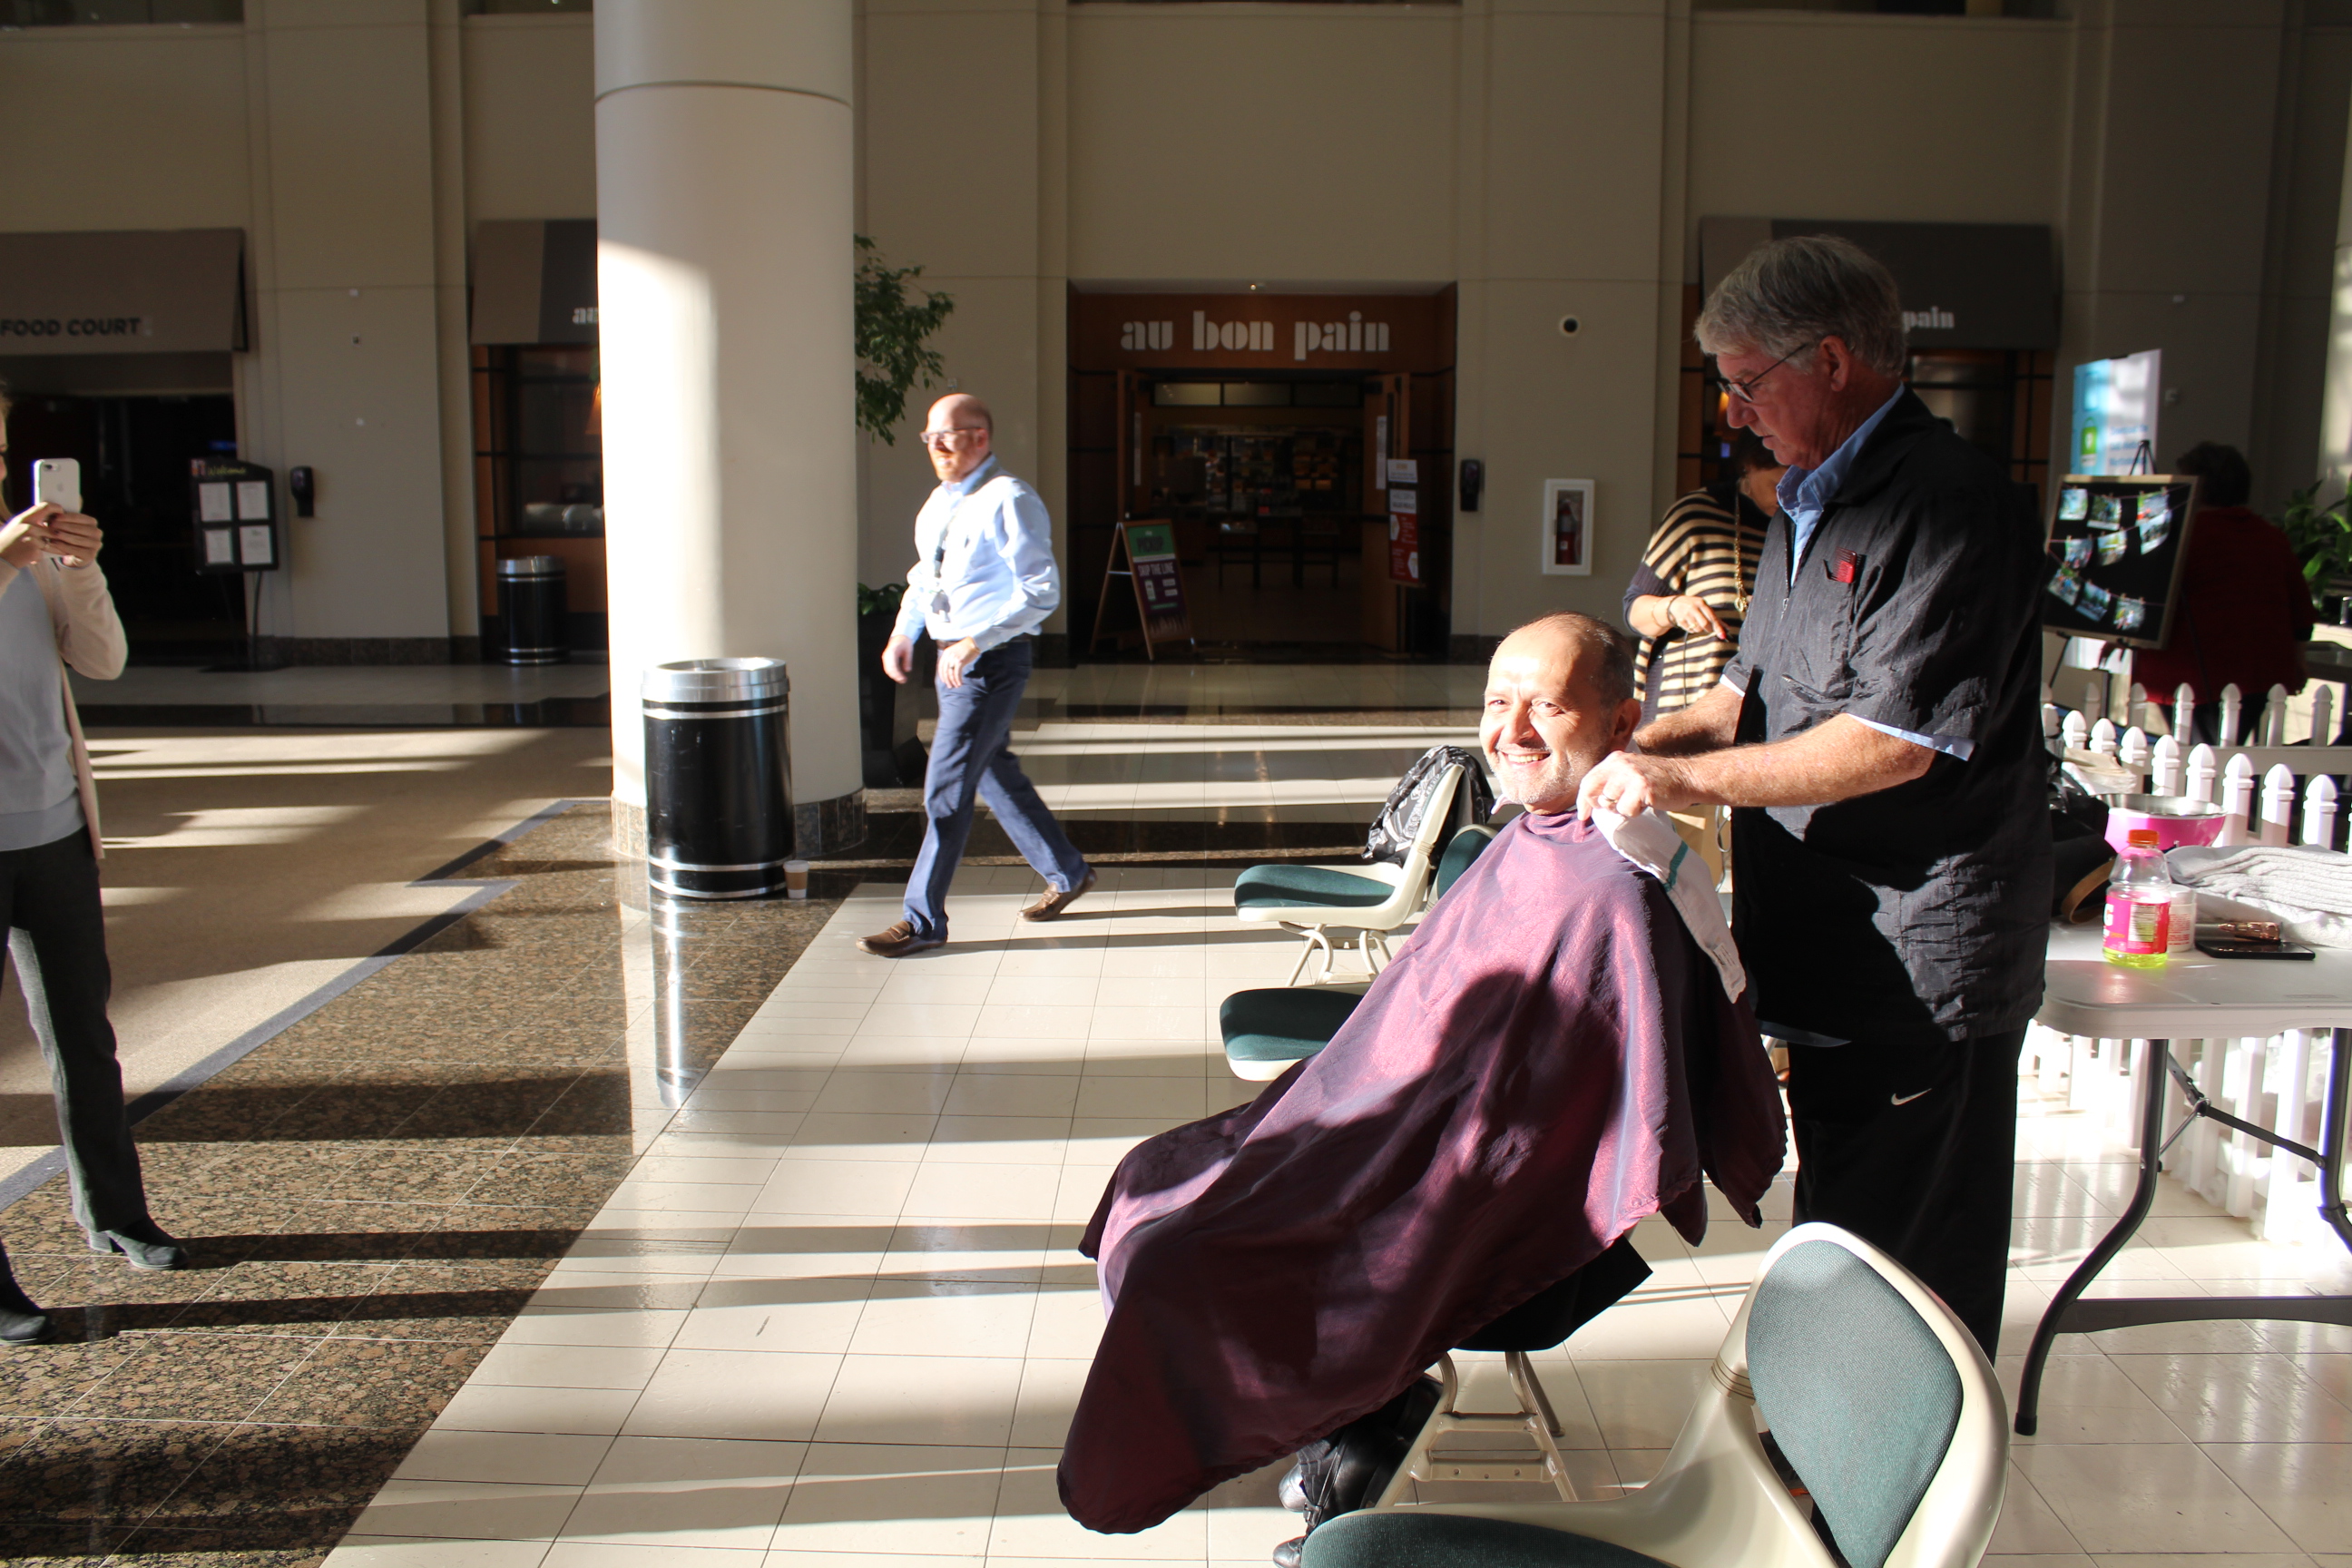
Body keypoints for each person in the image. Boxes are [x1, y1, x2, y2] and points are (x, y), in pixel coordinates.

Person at [1057, 612, 1786, 1544]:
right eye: (1497, 701)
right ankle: (1344, 1417)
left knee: (1179, 1261)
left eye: (1547, 707)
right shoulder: (1538, 838)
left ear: (1619, 723)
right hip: (1392, 1125)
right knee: (1151, 1180)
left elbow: (1546, 1134)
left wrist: (1382, 1161)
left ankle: (1347, 1418)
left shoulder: (1614, 891)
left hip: (1470, 1201)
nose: (1511, 731)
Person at [1574, 235, 2050, 1357]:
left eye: (1749, 381)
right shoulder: (1803, 506)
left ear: (1833, 360)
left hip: (1920, 959)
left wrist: (1674, 777)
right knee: (1841, 1232)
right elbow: (1743, 697)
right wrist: (1608, 743)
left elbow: (1892, 744)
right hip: (1826, 944)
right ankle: (1829, 1441)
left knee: (1903, 1264)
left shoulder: (1947, 504)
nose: (1732, 412)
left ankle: (1901, 1460)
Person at [0, 394, 185, 1347]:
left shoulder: (34, 558)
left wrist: (79, 568)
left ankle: (114, 1212)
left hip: (55, 833)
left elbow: (103, 661)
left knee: (82, 1036)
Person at [860, 394, 1096, 956]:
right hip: (952, 659)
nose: (936, 445)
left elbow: (1041, 591)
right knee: (991, 771)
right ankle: (1067, 871)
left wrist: (974, 640)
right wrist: (903, 633)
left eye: (948, 434)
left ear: (980, 438)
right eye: (930, 436)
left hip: (989, 661)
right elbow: (926, 578)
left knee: (945, 787)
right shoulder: (939, 503)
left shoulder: (1010, 498)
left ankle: (922, 921)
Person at [2128, 441, 2315, 745]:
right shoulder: (2271, 537)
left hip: (2191, 674)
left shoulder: (2181, 537)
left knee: (2199, 757)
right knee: (2224, 755)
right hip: (2260, 674)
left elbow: (2147, 601)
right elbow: (2301, 610)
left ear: (2195, 486)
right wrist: (2298, 659)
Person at [1623, 428, 1787, 725]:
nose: (1787, 496)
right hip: (1685, 703)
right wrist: (1673, 608)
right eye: (1778, 485)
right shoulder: (1697, 515)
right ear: (1749, 465)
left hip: (1764, 710)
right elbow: (1634, 610)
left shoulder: (1803, 525)